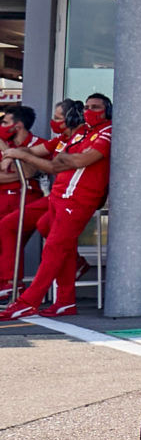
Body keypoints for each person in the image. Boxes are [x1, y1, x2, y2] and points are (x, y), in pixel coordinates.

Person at [4, 92, 110, 319]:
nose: (90, 111)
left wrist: (55, 161)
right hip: (57, 196)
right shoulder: (81, 132)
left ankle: (27, 302)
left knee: (54, 247)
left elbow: (75, 161)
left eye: (96, 107)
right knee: (49, 232)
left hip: (78, 199)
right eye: (88, 107)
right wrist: (12, 154)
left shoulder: (107, 131)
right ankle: (65, 301)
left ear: (107, 111)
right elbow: (45, 155)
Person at [0, 104, 50, 298]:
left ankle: (10, 283)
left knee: (8, 230)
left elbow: (29, 173)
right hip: (5, 198)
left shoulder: (39, 144)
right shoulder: (6, 143)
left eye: (4, 122)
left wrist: (11, 160)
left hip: (28, 198)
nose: (1, 126)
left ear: (18, 125)